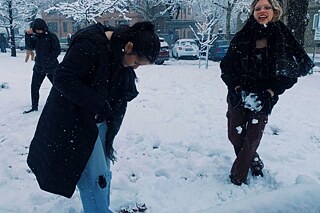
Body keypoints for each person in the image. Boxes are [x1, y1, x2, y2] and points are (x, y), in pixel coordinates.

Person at [27, 21, 160, 212]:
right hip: (75, 123)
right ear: (129, 46)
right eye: (137, 62)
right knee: (95, 179)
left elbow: (115, 78)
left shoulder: (117, 47)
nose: (136, 67)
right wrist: (97, 103)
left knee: (103, 173)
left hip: (101, 119)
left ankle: (101, 209)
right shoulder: (89, 45)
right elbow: (62, 78)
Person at [220, 0, 314, 186]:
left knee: (252, 137)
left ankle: (238, 176)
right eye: (258, 8)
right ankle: (254, 160)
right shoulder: (243, 35)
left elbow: (291, 72)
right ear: (253, 12)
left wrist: (271, 92)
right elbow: (227, 66)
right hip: (239, 93)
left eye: (267, 7)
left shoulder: (283, 36)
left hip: (264, 96)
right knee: (235, 134)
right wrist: (236, 88)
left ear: (274, 11)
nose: (262, 11)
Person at [23, 18, 61, 114]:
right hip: (38, 67)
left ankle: (63, 104)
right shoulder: (35, 37)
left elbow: (57, 50)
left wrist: (49, 61)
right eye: (37, 30)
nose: (39, 31)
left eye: (41, 29)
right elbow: (29, 47)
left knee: (58, 87)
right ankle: (34, 106)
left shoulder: (52, 36)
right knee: (34, 87)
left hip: (52, 67)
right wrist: (27, 35)